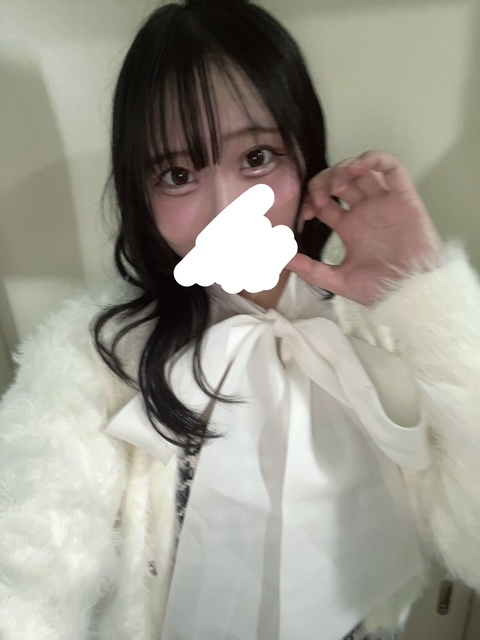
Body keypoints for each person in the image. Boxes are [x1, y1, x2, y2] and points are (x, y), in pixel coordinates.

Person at [1, 1, 480, 639]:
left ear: (306, 153)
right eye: (178, 173)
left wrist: (423, 290)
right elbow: (26, 571)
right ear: (141, 194)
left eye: (256, 157)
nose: (226, 209)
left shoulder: (384, 329)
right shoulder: (92, 355)